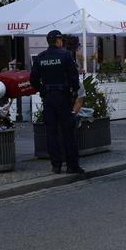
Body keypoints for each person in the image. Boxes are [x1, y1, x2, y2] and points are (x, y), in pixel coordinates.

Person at [30, 30, 84, 175]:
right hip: (63, 96)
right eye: (61, 39)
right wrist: (73, 92)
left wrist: (42, 90)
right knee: (68, 131)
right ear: (58, 40)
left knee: (51, 132)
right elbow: (74, 77)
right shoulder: (65, 56)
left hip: (48, 97)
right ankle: (72, 165)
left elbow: (33, 79)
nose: (62, 42)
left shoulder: (41, 58)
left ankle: (56, 165)